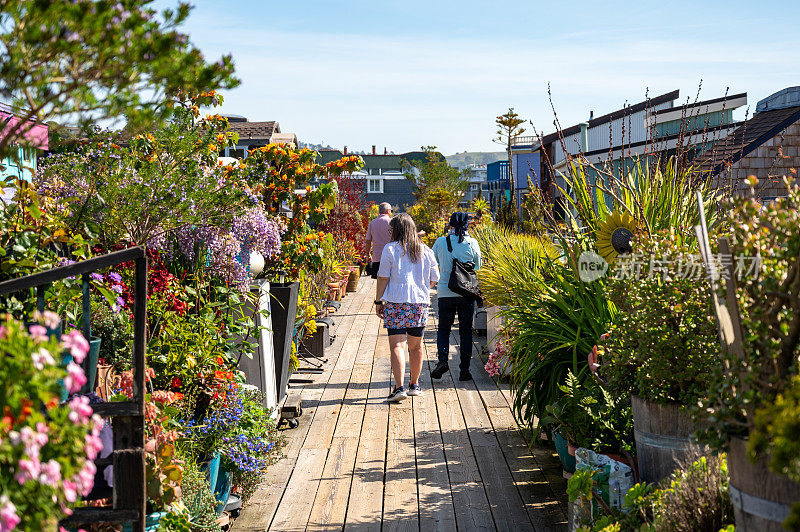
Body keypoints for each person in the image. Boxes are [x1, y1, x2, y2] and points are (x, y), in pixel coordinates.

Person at [375, 213, 439, 402]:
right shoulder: (425, 250)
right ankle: (415, 385)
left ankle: (399, 387)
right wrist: (420, 288)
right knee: (416, 345)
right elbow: (434, 278)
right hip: (419, 303)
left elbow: (383, 277)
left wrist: (378, 301)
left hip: (395, 302)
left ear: (396, 230)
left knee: (397, 345)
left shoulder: (390, 249)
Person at [430, 212, 482, 381]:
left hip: (445, 292)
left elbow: (435, 262)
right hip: (466, 292)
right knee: (465, 332)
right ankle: (464, 370)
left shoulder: (440, 242)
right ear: (467, 226)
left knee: (444, 329)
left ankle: (443, 360)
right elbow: (478, 266)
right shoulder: (472, 242)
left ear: (450, 225)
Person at [364, 202, 392, 279]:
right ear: (388, 211)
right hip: (391, 255)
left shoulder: (372, 223)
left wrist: (368, 253)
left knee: (379, 279)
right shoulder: (392, 222)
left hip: (377, 256)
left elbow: (368, 241)